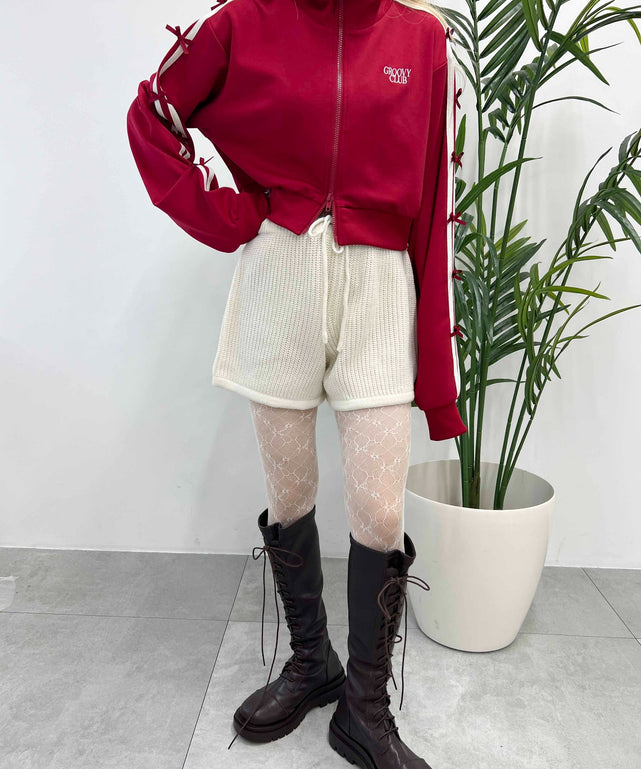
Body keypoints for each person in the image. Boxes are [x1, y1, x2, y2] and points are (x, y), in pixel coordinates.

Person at [126, 0, 467, 766]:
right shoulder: (242, 22)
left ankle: (364, 706)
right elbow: (152, 115)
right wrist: (227, 215)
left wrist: (437, 375)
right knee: (291, 495)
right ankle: (313, 663)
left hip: (380, 289)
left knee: (380, 510)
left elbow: (435, 204)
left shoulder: (421, 38)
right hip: (279, 275)